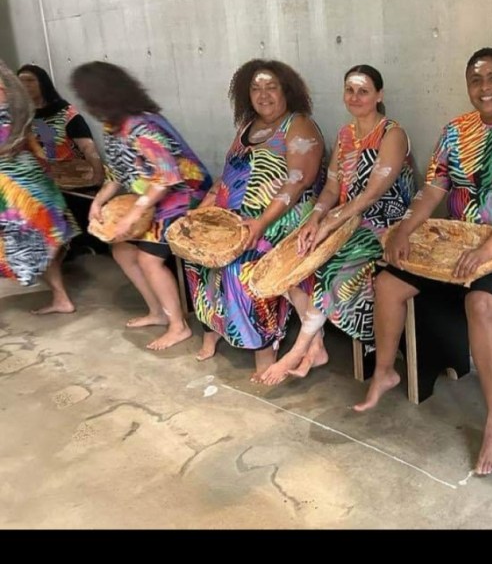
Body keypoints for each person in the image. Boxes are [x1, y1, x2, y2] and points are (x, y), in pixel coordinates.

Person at [355, 47, 492, 476]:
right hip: (456, 241)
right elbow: (434, 188)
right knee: (388, 283)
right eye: (476, 80)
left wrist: (489, 248)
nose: (485, 87)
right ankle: (385, 372)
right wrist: (404, 229)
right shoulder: (455, 131)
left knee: (480, 302)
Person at [257, 64, 415, 384]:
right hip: (346, 218)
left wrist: (330, 224)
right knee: (295, 254)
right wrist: (315, 219)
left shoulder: (392, 134)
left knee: (332, 267)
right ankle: (316, 345)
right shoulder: (345, 135)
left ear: (379, 95)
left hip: (385, 220)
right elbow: (331, 189)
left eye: (363, 91)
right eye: (350, 90)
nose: (355, 97)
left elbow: (373, 195)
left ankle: (297, 350)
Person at [185, 60, 325, 377]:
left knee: (242, 261)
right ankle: (214, 329)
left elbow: (298, 181)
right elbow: (228, 177)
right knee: (197, 255)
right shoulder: (247, 127)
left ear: (286, 91)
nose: (263, 95)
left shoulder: (298, 124)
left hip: (282, 217)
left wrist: (260, 223)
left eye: (271, 87)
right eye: (256, 88)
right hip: (235, 216)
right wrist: (203, 210)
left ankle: (263, 348)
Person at [71, 61, 213, 350]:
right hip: (155, 198)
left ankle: (178, 326)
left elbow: (167, 178)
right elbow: (117, 173)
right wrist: (98, 201)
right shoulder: (114, 126)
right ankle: (158, 312)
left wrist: (133, 214)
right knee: (122, 251)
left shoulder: (143, 126)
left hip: (185, 197)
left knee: (149, 260)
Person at [1, 59, 78, 313]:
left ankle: (61, 298)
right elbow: (32, 143)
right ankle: (61, 298)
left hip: (14, 186)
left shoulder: (7, 101)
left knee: (35, 240)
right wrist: (46, 169)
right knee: (44, 239)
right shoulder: (16, 102)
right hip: (28, 179)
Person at [17, 63, 107, 258]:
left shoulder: (65, 113)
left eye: (30, 80)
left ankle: (83, 247)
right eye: (21, 81)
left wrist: (98, 175)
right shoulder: (21, 117)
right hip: (41, 178)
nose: (25, 85)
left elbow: (87, 146)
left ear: (43, 83)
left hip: (72, 176)